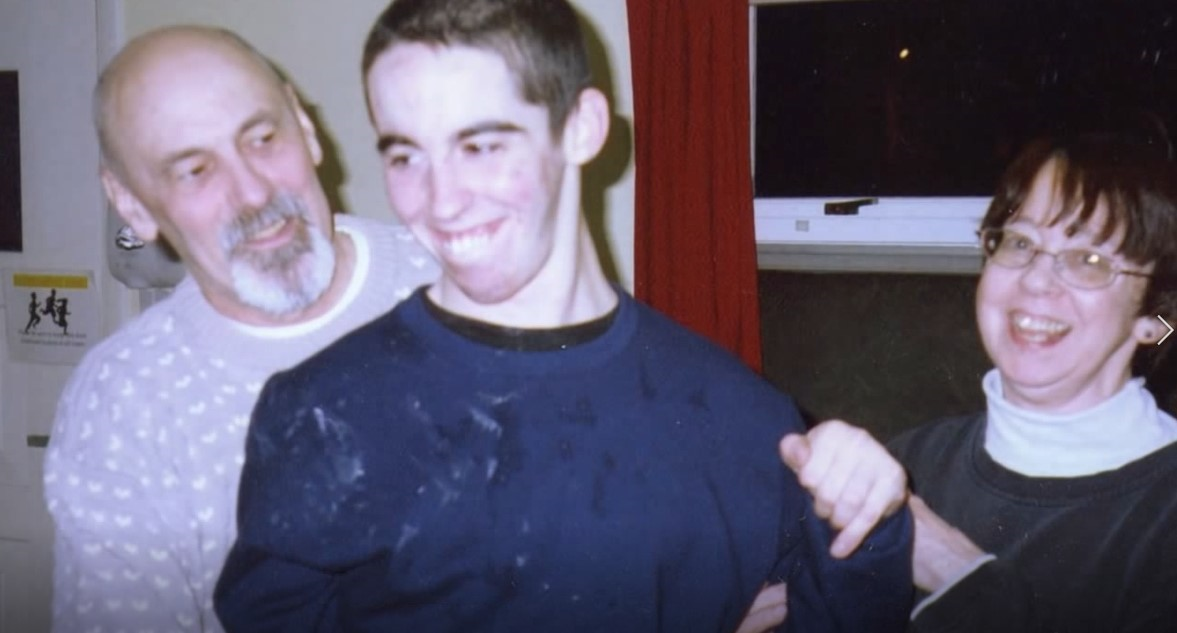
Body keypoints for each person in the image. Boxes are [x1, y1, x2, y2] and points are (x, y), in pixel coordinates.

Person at [214, 1, 914, 631]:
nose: (440, 200)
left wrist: (866, 520)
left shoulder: (743, 418)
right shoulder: (323, 411)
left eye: (480, 146)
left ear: (582, 128)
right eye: (405, 155)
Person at [42, 26, 439, 633]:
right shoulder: (125, 405)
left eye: (262, 138)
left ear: (304, 127)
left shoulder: (463, 284)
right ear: (132, 205)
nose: (253, 192)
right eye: (195, 170)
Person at [888, 130, 1177, 631]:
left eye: (1089, 261)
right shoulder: (907, 463)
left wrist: (962, 578)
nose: (1036, 280)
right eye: (1021, 242)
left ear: (1155, 318)